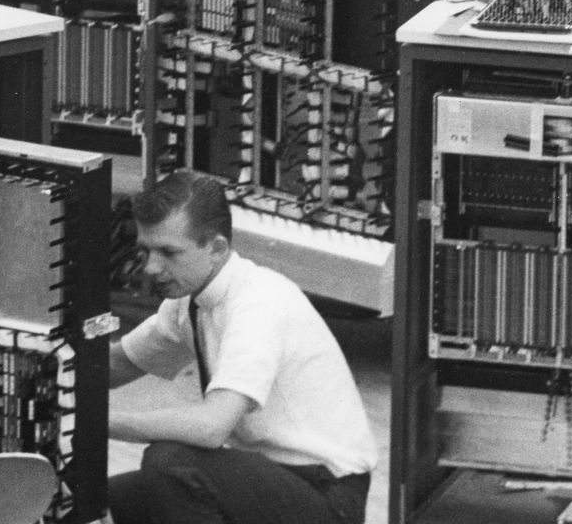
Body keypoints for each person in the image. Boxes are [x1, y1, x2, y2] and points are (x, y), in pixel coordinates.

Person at [108, 170, 375, 524]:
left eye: (169, 252)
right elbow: (114, 365)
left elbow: (211, 427)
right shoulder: (190, 299)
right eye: (146, 250)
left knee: (172, 464)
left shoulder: (258, 303)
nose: (152, 267)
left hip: (327, 496)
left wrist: (102, 422)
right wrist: (45, 359)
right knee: (102, 498)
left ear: (217, 249)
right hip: (272, 479)